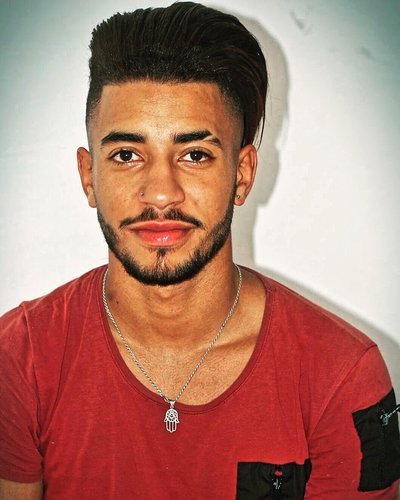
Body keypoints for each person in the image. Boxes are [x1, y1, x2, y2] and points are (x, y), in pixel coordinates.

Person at [0, 2, 399, 498]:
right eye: (127, 154)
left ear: (242, 175)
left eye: (194, 155)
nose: (160, 193)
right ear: (88, 177)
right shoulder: (18, 360)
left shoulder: (342, 376)